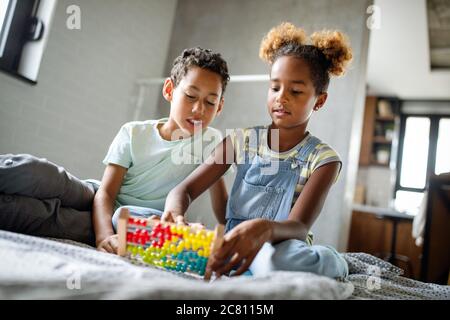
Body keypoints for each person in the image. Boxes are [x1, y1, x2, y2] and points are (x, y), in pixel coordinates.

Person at [162, 23, 353, 280]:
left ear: (319, 100)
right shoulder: (240, 141)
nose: (281, 98)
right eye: (275, 88)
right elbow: (183, 190)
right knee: (129, 218)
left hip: (278, 247)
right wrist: (176, 214)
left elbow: (298, 226)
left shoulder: (324, 160)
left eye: (295, 91)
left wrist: (263, 228)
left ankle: (334, 262)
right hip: (232, 243)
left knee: (275, 262)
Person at [0, 47, 230, 254]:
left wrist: (232, 235)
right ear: (170, 90)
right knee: (42, 175)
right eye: (190, 96)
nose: (199, 109)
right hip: (97, 196)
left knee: (34, 214)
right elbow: (107, 194)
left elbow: (223, 208)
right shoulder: (133, 133)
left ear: (219, 107)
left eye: (210, 102)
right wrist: (103, 237)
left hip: (129, 223)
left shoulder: (212, 143)